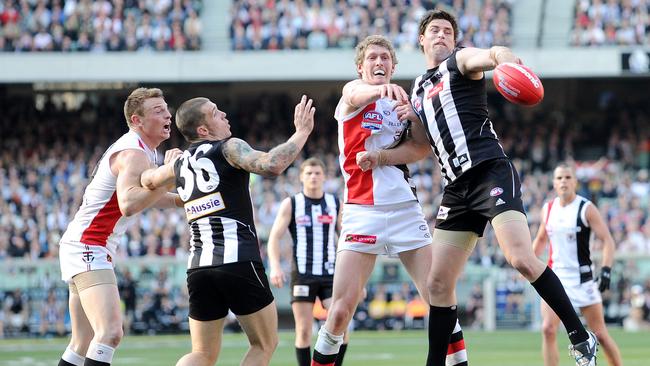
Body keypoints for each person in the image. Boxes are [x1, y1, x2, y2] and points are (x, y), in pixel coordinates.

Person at [356, 10, 598, 366]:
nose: (441, 35)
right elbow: (422, 145)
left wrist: (507, 62)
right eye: (434, 31)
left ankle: (580, 336)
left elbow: (494, 52)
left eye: (447, 32)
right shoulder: (418, 87)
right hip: (456, 188)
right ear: (421, 39)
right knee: (438, 284)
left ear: (454, 40)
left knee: (520, 259)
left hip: (489, 172)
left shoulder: (460, 60)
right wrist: (383, 151)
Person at [311, 34, 468, 366]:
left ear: (393, 65)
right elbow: (353, 92)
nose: (379, 62)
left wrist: (405, 129)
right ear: (361, 66)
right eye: (372, 58)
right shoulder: (354, 96)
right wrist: (381, 90)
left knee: (440, 299)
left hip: (404, 211)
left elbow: (421, 148)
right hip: (361, 211)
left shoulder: (403, 102)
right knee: (339, 312)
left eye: (384, 58)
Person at [140, 95, 315, 366]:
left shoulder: (179, 164)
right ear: (203, 130)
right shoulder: (228, 147)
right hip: (237, 260)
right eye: (215, 112)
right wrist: (301, 132)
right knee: (264, 343)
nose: (223, 113)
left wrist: (166, 165)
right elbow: (271, 164)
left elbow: (147, 180)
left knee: (201, 353)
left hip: (198, 267)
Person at [57, 87, 182, 366]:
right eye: (158, 111)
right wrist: (170, 176)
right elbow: (129, 203)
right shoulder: (134, 153)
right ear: (137, 120)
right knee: (110, 333)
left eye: (166, 109)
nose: (168, 115)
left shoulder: (140, 151)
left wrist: (181, 200)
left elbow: (144, 197)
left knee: (82, 343)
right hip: (89, 244)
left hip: (85, 244)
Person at [533, 163, 623, 366]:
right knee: (548, 329)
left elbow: (608, 240)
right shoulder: (548, 209)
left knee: (600, 333)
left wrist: (606, 269)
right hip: (555, 278)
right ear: (554, 183)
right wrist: (526, 261)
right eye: (559, 178)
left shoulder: (586, 208)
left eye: (567, 177)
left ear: (575, 181)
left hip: (583, 279)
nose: (563, 181)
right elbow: (540, 239)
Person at [267, 157, 349, 366]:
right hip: (303, 273)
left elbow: (346, 238)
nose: (313, 177)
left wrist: (353, 277)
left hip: (332, 273)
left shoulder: (334, 203)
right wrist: (275, 266)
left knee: (341, 324)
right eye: (309, 173)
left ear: (324, 177)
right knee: (303, 330)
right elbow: (274, 237)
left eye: (317, 173)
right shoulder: (292, 203)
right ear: (302, 178)